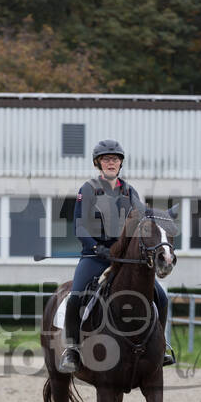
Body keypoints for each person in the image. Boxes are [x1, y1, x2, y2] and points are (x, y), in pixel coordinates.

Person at [59, 139, 174, 373]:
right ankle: (72, 349)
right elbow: (80, 227)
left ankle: (161, 347)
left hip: (125, 257)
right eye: (106, 159)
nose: (111, 163)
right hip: (95, 256)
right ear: (98, 163)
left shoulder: (130, 191)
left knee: (161, 297)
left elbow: (141, 222)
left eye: (115, 159)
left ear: (120, 163)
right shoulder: (88, 189)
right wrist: (96, 248)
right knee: (76, 296)